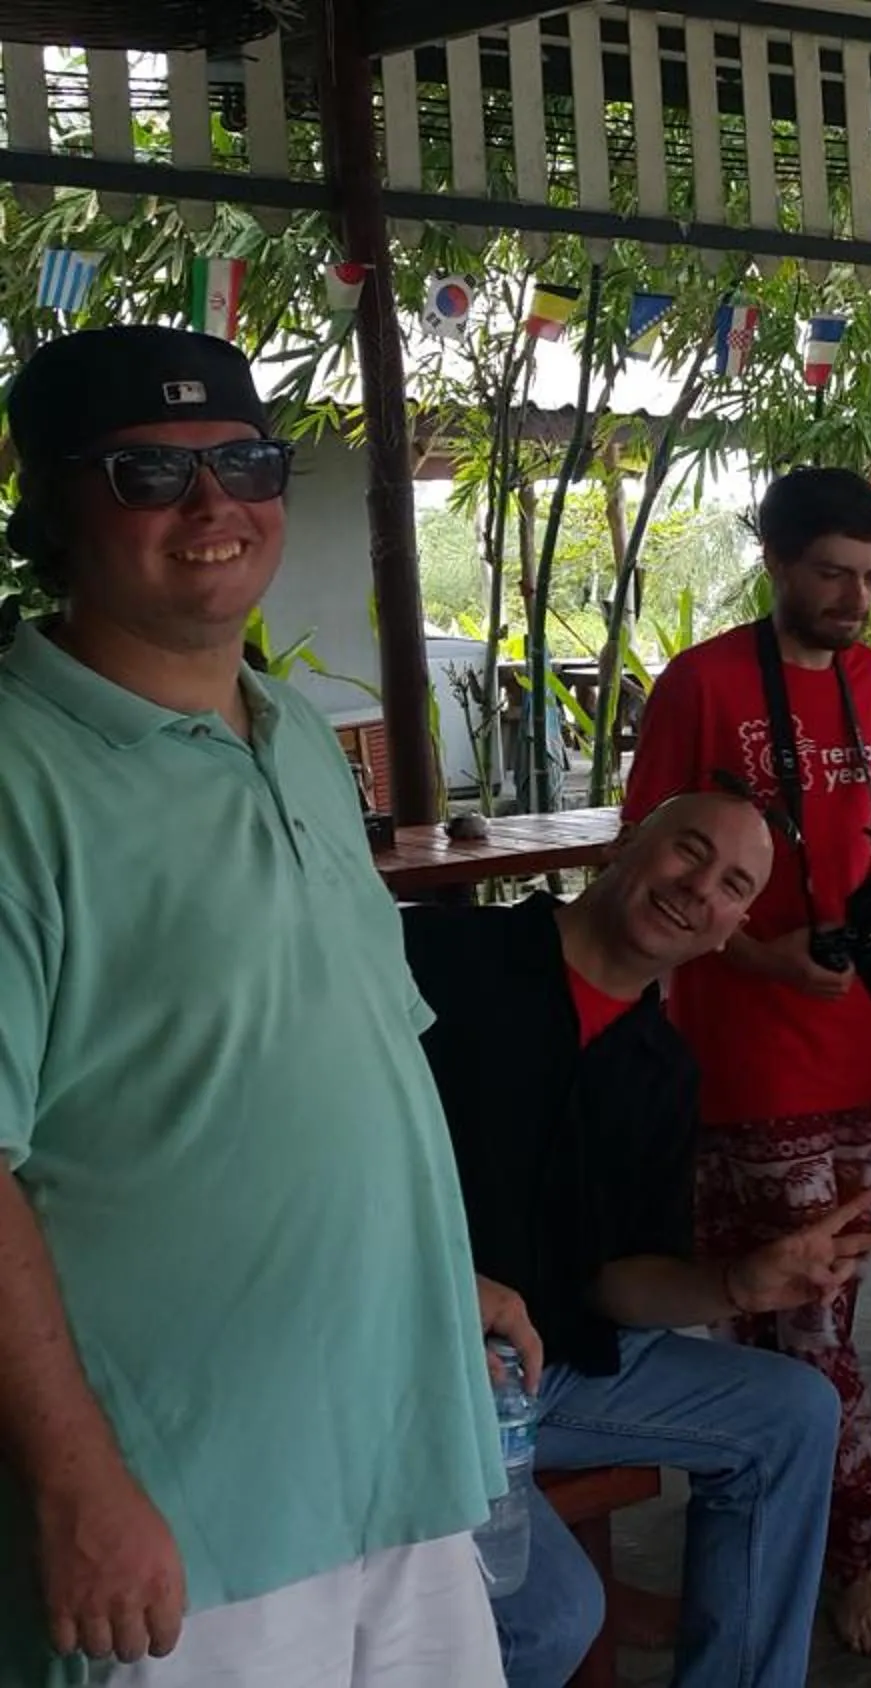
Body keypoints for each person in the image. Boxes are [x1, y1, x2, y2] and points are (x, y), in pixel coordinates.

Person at [0, 326, 507, 1685]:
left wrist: (432, 1278)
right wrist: (75, 1491)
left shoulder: (289, 730)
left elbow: (335, 1049)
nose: (213, 506)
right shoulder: (15, 772)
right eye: (146, 475)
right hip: (178, 1520)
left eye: (244, 459)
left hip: (394, 1456)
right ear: (53, 505)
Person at [405, 793, 871, 1688]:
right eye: (687, 853)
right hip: (419, 1372)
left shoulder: (660, 1068)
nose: (696, 889)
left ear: (731, 928)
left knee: (794, 1412)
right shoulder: (449, 956)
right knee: (552, 1619)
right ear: (631, 845)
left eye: (729, 886)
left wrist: (737, 1285)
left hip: (553, 1371)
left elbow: (611, 1285)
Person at [621, 466, 871, 1656]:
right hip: (749, 1048)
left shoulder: (863, 676)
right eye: (832, 575)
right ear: (778, 562)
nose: (853, 601)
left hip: (854, 1039)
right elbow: (650, 867)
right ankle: (853, 1553)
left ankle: (771, 1550)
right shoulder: (700, 683)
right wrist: (763, 957)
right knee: (801, 1318)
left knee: (828, 1302)